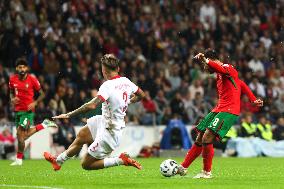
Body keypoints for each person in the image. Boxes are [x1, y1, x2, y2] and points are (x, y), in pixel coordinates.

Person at [44, 54, 146, 171]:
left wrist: (69, 114)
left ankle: (120, 160)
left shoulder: (107, 86)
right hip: (104, 121)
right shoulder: (126, 81)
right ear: (118, 69)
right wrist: (127, 101)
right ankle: (58, 161)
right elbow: (141, 95)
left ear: (103, 71)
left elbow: (92, 105)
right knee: (81, 136)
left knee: (86, 164)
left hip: (110, 132)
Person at [177, 49, 263, 178]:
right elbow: (241, 84)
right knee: (200, 136)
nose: (205, 68)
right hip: (219, 108)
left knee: (207, 138)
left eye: (205, 65)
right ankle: (183, 167)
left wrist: (206, 60)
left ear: (211, 60)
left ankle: (207, 172)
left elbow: (221, 69)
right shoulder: (220, 75)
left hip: (229, 110)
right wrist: (253, 99)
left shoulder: (228, 68)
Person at [9, 58, 57, 166]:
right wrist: (12, 99)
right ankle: (44, 125)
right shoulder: (12, 80)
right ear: (17, 68)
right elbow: (11, 92)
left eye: (23, 67)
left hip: (28, 112)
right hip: (18, 111)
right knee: (21, 136)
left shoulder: (32, 79)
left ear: (27, 68)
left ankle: (19, 160)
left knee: (21, 135)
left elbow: (42, 94)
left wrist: (35, 103)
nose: (22, 69)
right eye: (20, 67)